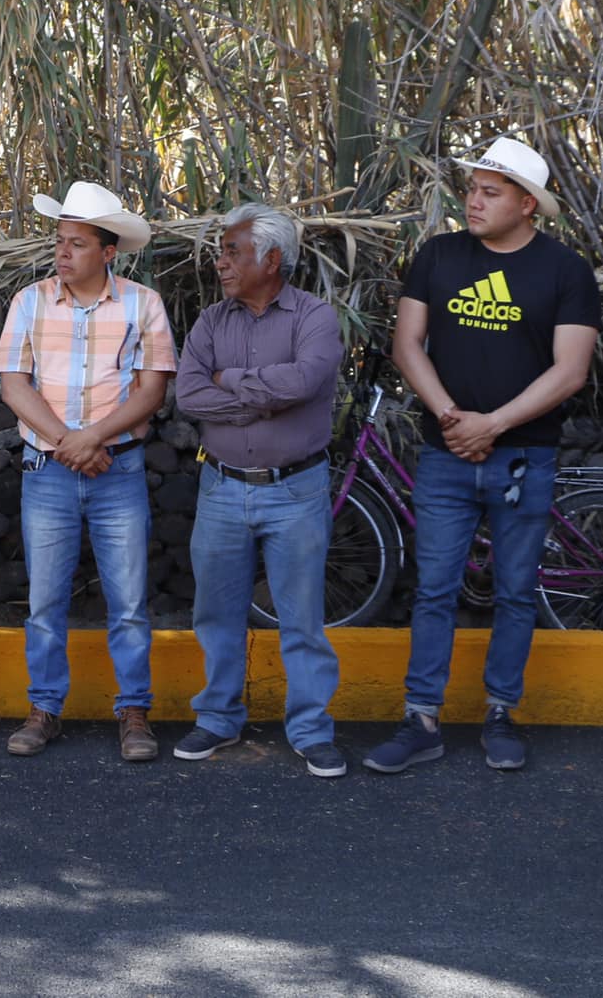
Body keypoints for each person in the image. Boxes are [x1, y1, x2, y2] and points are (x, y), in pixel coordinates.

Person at [365, 135, 601, 776]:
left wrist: (492, 424)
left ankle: (501, 711)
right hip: (446, 456)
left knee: (516, 590)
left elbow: (570, 370)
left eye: (490, 192)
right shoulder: (439, 255)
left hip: (524, 457)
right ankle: (421, 718)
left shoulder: (564, 270)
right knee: (434, 590)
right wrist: (450, 417)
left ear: (528, 204)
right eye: (472, 188)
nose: (473, 201)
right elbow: (408, 344)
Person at [0, 182, 175, 762]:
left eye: (75, 243)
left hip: (116, 468)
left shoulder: (142, 303)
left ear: (109, 250)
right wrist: (67, 441)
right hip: (48, 468)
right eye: (60, 241)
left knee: (128, 601)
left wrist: (91, 438)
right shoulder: (30, 301)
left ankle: (134, 712)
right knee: (45, 601)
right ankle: (44, 709)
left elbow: (152, 390)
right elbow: (13, 383)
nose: (62, 253)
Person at [172, 204, 347, 776]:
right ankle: (219, 719)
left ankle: (311, 730)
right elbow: (189, 396)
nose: (220, 263)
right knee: (216, 614)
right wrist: (260, 397)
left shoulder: (315, 318)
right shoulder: (211, 322)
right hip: (221, 488)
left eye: (232, 252)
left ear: (271, 259)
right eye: (221, 252)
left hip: (295, 489)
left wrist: (231, 384)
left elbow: (303, 381)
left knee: (301, 619)